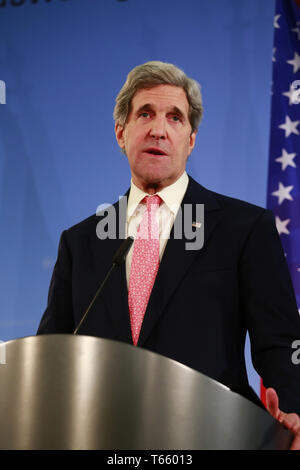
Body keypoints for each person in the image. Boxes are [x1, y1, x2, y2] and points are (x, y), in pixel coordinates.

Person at [37, 61, 300, 448]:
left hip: (212, 437)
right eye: (145, 114)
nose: (159, 129)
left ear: (190, 140)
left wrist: (294, 410)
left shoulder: (243, 228)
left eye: (175, 118)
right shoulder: (80, 243)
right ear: (121, 133)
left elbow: (281, 342)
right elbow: (51, 355)